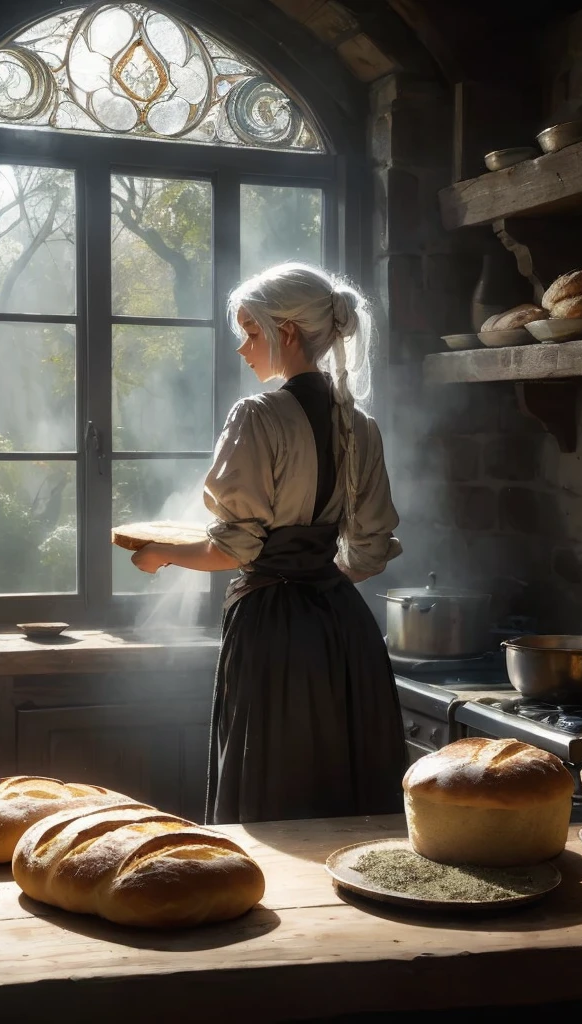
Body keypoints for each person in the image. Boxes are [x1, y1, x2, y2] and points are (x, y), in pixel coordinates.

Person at [131, 262, 407, 824]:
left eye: (251, 332)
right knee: (345, 802)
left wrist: (159, 554)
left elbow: (232, 550)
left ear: (286, 333)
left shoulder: (257, 417)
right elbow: (368, 555)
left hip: (275, 636)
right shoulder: (362, 426)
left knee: (275, 795)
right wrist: (312, 577)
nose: (243, 348)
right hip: (345, 633)